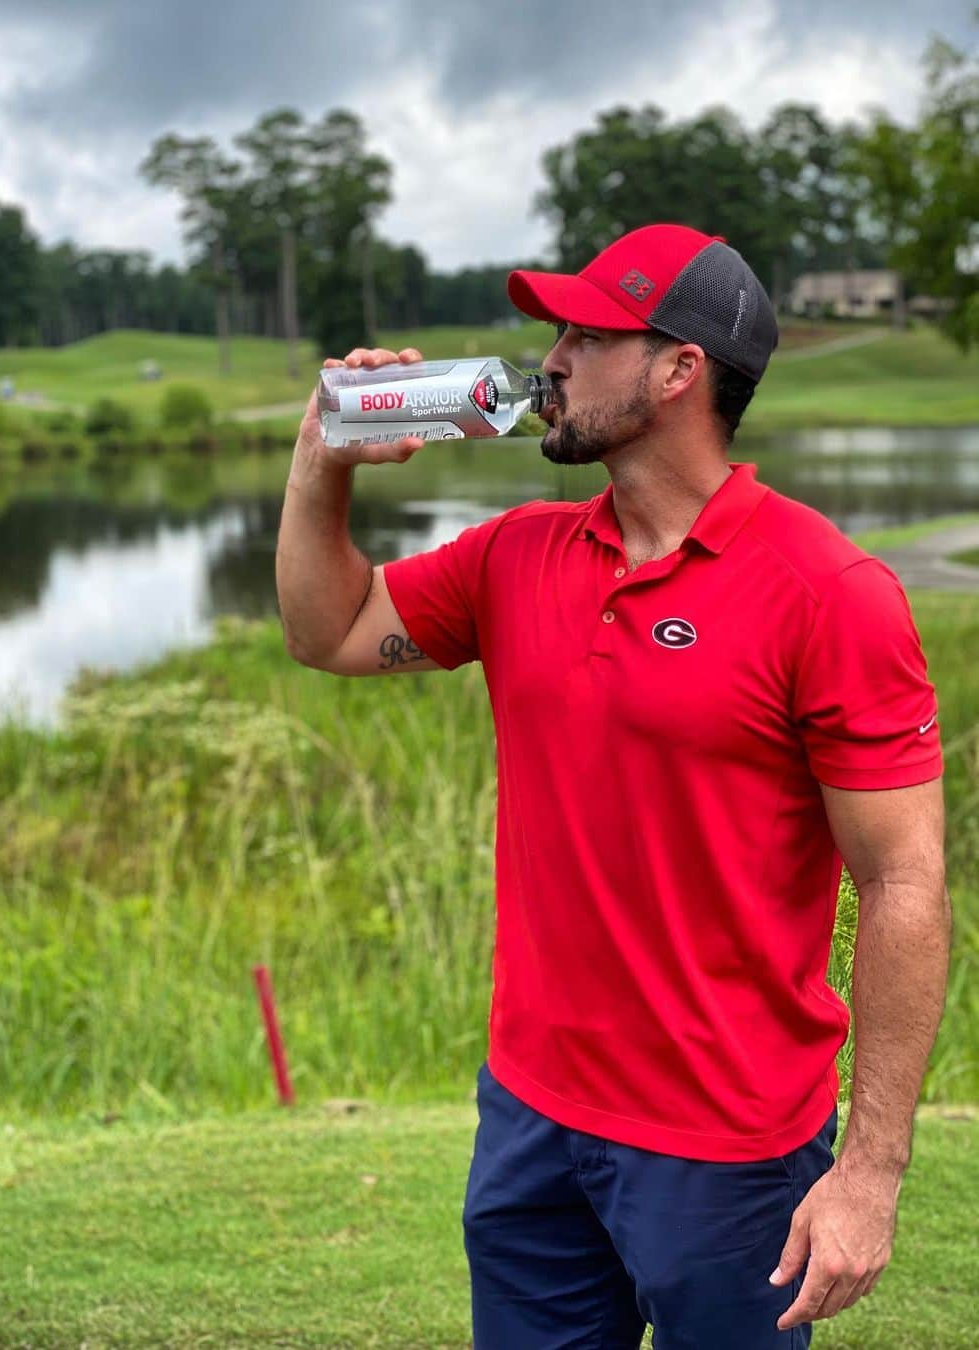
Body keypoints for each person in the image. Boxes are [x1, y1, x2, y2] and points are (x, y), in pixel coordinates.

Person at [274, 223, 952, 1348]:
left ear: (681, 370)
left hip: (729, 1146)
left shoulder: (830, 591)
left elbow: (907, 881)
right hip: (532, 1117)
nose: (552, 362)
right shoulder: (515, 557)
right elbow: (328, 630)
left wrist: (871, 1172)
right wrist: (321, 464)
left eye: (589, 335)